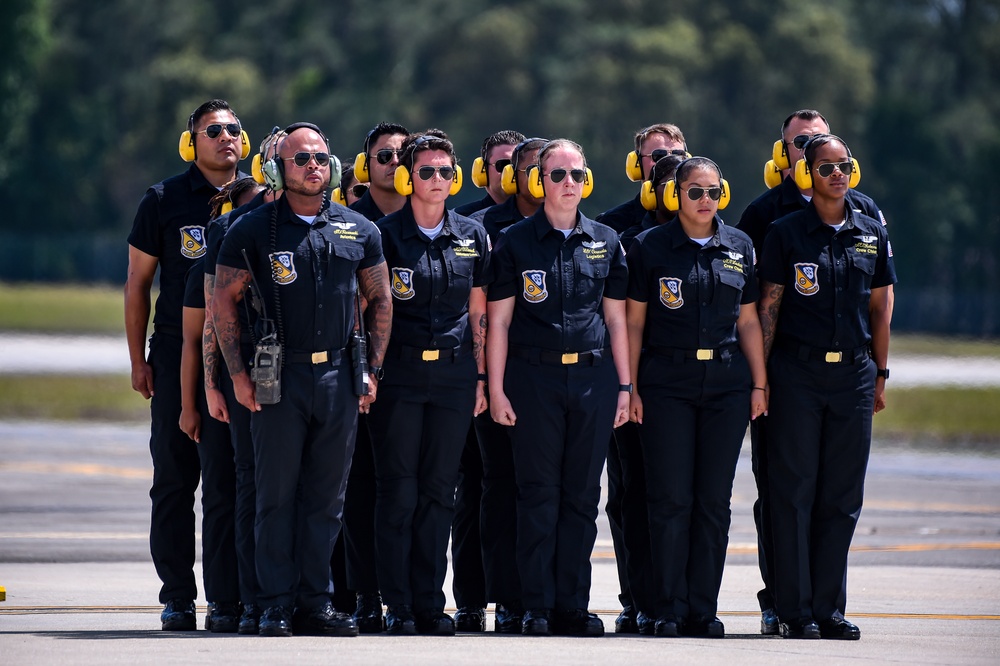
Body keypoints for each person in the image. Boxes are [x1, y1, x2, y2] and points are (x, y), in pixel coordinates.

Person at [214, 122, 391, 637]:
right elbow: (222, 301)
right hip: (278, 375)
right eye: (300, 159)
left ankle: (315, 603)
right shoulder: (251, 230)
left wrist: (372, 370)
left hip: (339, 374)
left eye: (319, 158)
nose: (313, 166)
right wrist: (238, 375)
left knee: (325, 499)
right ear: (277, 169)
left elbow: (380, 299)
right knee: (274, 496)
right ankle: (272, 604)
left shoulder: (360, 229)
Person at [735, 108, 894, 635]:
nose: (836, 175)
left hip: (851, 374)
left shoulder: (869, 228)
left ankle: (830, 609)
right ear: (802, 168)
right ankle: (793, 610)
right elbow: (767, 310)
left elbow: (881, 306)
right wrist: (763, 379)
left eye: (843, 165)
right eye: (825, 166)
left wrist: (881, 374)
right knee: (791, 492)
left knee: (841, 497)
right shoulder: (779, 228)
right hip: (795, 375)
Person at [487, 139, 630, 637]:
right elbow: (499, 323)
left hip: (593, 379)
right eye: (557, 175)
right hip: (533, 378)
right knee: (537, 495)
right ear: (538, 181)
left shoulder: (607, 241)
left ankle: (572, 603)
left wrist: (625, 387)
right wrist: (497, 389)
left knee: (581, 497)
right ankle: (537, 607)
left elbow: (616, 320)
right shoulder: (514, 242)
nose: (568, 183)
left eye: (576, 175)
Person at [625, 157, 767, 638]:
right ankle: (664, 607)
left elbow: (749, 321)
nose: (704, 200)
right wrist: (632, 388)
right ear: (675, 195)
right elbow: (635, 323)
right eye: (694, 191)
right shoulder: (648, 248)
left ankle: (702, 609)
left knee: (712, 502)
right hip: (666, 382)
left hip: (726, 384)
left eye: (713, 191)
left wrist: (760, 383)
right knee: (669, 499)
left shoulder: (740, 246)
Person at [124, 98, 249, 631]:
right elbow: (138, 285)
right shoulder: (164, 201)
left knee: (228, 482)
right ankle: (177, 595)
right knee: (175, 480)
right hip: (176, 351)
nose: (225, 138)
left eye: (234, 130)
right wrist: (138, 360)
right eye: (213, 130)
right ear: (190, 141)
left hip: (234, 358)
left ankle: (228, 597)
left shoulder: (260, 201)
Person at [366, 130, 491, 636]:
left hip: (455, 377)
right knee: (398, 491)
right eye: (425, 171)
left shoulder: (473, 235)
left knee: (440, 492)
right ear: (406, 176)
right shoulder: (383, 235)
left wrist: (481, 377)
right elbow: (368, 309)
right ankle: (395, 604)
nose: (436, 179)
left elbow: (478, 311)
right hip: (398, 375)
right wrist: (368, 373)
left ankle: (428, 603)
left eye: (445, 171)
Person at [202, 129, 286, 634]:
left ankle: (287, 595)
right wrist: (216, 383)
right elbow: (217, 312)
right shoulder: (232, 228)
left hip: (302, 371)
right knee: (251, 483)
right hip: (248, 366)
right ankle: (250, 599)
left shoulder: (322, 223)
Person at [466, 135, 547, 633]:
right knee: (490, 486)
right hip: (496, 373)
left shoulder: (576, 226)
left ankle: (536, 595)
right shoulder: (480, 230)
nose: (548, 181)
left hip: (548, 375)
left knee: (540, 490)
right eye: (537, 171)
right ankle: (485, 598)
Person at [177, 177, 263, 633]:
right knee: (220, 497)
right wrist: (193, 402)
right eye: (241, 210)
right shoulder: (203, 272)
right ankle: (222, 600)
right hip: (217, 396)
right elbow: (196, 340)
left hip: (258, 391)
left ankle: (251, 596)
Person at [450, 130, 524, 632]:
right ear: (483, 171)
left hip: (536, 374)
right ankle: (473, 599)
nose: (510, 175)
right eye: (500, 165)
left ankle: (522, 595)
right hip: (483, 376)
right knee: (479, 487)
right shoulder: (474, 228)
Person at [608, 152, 684, 636]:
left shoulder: (722, 237)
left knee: (681, 498)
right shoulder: (625, 239)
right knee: (632, 496)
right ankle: (638, 598)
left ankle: (679, 599)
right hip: (638, 385)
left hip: (685, 389)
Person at [343, 120, 410, 633]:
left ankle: (407, 595)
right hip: (363, 378)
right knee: (361, 488)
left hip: (418, 380)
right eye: (383, 156)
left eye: (401, 156)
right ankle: (364, 595)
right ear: (367, 166)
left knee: (412, 492)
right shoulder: (351, 223)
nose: (393, 163)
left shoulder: (427, 220)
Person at [598, 123, 689, 235]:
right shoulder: (611, 224)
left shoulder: (704, 218)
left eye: (678, 155)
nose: (669, 162)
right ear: (637, 164)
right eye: (658, 156)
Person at [454, 129, 524, 216]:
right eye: (503, 165)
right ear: (483, 170)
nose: (510, 172)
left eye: (517, 165)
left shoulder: (543, 216)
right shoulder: (460, 222)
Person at [351, 121, 411, 220]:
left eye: (402, 155)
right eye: (385, 155)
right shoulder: (348, 221)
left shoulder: (429, 220)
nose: (395, 161)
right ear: (365, 164)